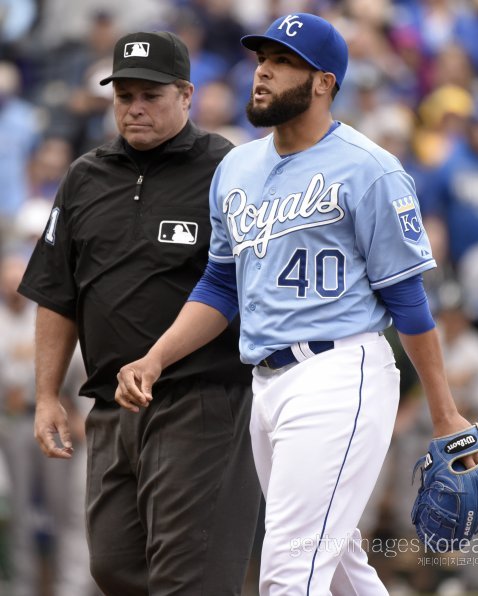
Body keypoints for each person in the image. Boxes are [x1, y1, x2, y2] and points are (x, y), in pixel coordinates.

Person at [115, 14, 478, 596]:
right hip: (267, 384)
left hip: (341, 374)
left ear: (323, 83)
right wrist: (154, 359)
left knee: (289, 573)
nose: (262, 72)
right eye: (262, 59)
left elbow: (406, 298)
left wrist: (443, 410)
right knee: (338, 570)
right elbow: (220, 286)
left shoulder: (371, 169)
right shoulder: (236, 167)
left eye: (283, 62)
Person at [17, 30, 260, 596]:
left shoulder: (229, 171)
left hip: (200, 399)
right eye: (125, 95)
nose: (136, 108)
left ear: (187, 95)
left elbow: (238, 290)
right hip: (110, 407)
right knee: (114, 567)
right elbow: (57, 292)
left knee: (187, 578)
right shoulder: (84, 176)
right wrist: (48, 395)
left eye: (150, 95)